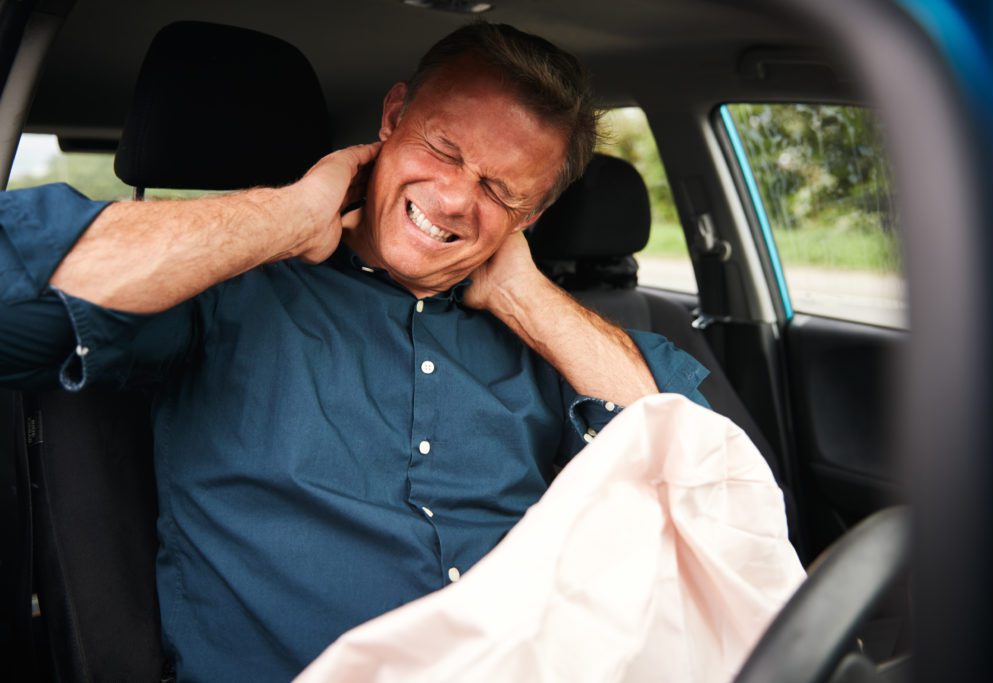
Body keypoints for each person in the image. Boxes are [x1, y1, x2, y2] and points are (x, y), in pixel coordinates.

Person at [0, 22, 709, 681]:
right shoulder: (226, 294)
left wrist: (526, 294)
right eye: (444, 150)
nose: (456, 198)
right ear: (393, 118)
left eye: (498, 189)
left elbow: (711, 487)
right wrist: (285, 216)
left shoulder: (557, 340)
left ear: (533, 216)